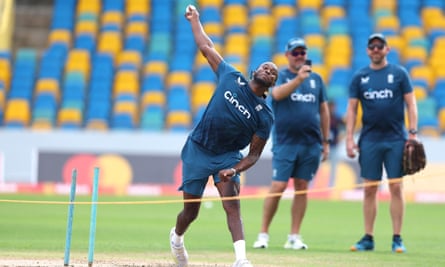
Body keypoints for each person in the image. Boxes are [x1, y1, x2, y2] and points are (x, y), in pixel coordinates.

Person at [170, 5, 278, 267]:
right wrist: (195, 20)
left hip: (226, 157)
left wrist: (234, 168)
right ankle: (177, 238)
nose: (269, 71)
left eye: (274, 72)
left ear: (272, 84)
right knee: (190, 212)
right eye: (266, 67)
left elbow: (253, 154)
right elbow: (206, 47)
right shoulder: (231, 77)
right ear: (255, 71)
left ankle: (241, 260)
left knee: (232, 206)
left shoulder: (265, 115)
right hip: (198, 148)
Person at [253, 37, 330, 250]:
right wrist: (298, 80)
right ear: (288, 55)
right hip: (286, 142)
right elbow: (276, 95)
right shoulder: (280, 76)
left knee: (302, 188)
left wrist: (326, 140)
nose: (299, 56)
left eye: (302, 52)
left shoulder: (316, 80)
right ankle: (263, 234)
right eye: (295, 53)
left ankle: (294, 236)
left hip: (311, 143)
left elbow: (323, 110)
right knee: (278, 186)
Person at [345, 33, 418, 253]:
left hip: (396, 139)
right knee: (369, 189)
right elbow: (351, 109)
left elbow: (411, 104)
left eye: (380, 46)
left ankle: (397, 237)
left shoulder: (399, 73)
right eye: (372, 46)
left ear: (387, 49)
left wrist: (413, 133)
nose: (376, 49)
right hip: (369, 140)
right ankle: (368, 237)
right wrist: (349, 137)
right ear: (368, 51)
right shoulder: (360, 76)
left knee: (396, 187)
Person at [327, 101, 345, 187]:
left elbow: (344, 128)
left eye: (333, 107)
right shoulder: (323, 117)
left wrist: (340, 137)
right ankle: (311, 184)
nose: (332, 109)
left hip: (334, 147)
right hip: (323, 147)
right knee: (315, 166)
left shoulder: (337, 119)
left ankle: (332, 185)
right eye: (331, 107)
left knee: (334, 167)